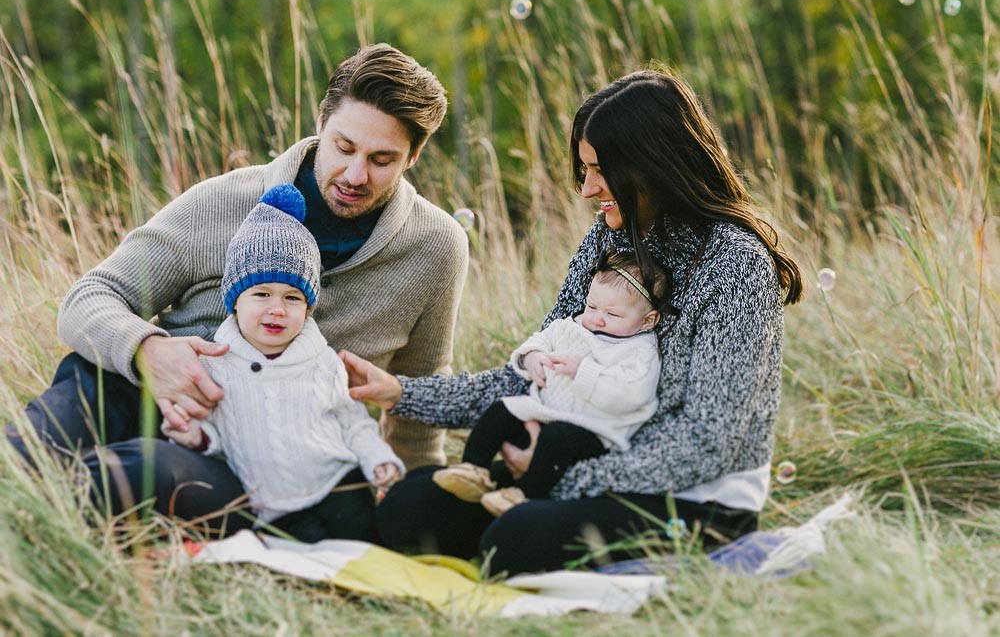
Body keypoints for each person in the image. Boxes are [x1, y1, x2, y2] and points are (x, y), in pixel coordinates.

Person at [341, 66, 803, 575]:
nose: (587, 189)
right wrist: (401, 393)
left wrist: (559, 476)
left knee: (514, 539)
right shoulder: (609, 240)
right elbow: (537, 370)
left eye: (600, 170)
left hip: (695, 496)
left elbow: (708, 441)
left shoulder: (734, 262)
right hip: (570, 455)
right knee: (412, 506)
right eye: (584, 169)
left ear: (653, 163)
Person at [8, 43, 467, 535]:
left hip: (256, 460)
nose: (355, 175)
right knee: (38, 446)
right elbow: (90, 298)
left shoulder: (435, 248)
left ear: (413, 156)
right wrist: (150, 350)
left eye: (382, 159)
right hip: (141, 393)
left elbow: (420, 392)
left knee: (136, 474)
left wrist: (414, 508)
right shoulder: (222, 200)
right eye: (344, 147)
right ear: (321, 122)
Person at [159, 185, 404, 542]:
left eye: (292, 297)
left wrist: (378, 458)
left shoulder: (322, 363)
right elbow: (219, 438)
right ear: (235, 302)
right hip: (271, 504)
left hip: (339, 483)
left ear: (307, 308)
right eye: (262, 294)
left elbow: (353, 425)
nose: (277, 309)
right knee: (298, 554)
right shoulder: (216, 365)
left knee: (363, 543)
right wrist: (195, 437)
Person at [432, 252, 665, 517]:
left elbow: (631, 395)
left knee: (557, 439)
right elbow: (541, 339)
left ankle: (524, 495)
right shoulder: (574, 326)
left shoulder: (639, 350)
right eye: (592, 307)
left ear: (648, 320)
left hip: (594, 430)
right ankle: (473, 470)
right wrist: (532, 357)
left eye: (612, 314)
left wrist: (583, 371)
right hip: (545, 411)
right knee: (502, 410)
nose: (597, 319)